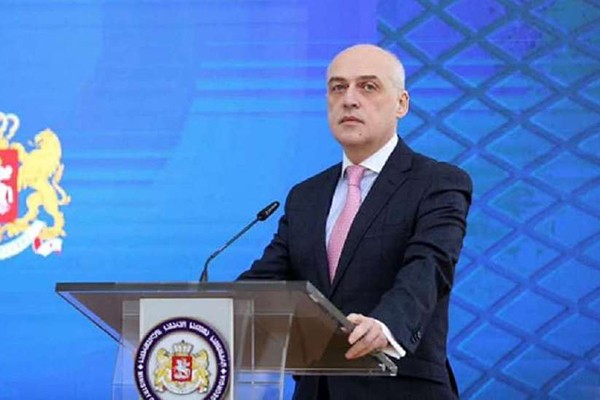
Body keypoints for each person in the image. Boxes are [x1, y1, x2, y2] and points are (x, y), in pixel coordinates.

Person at [238, 44, 472, 400]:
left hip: (401, 388)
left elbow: (430, 266)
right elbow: (269, 280)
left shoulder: (438, 182)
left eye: (368, 86)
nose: (349, 99)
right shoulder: (306, 196)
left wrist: (387, 324)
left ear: (401, 104)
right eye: (338, 87)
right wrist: (212, 314)